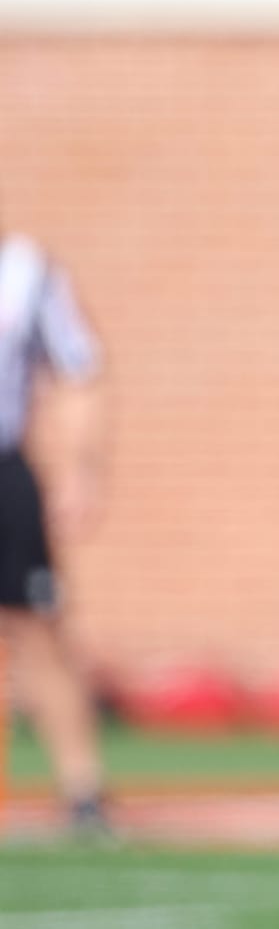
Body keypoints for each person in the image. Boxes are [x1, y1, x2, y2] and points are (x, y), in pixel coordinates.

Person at [0, 230, 109, 832]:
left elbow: (80, 370)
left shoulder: (26, 274)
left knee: (36, 628)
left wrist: (82, 469)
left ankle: (83, 791)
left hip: (4, 468)